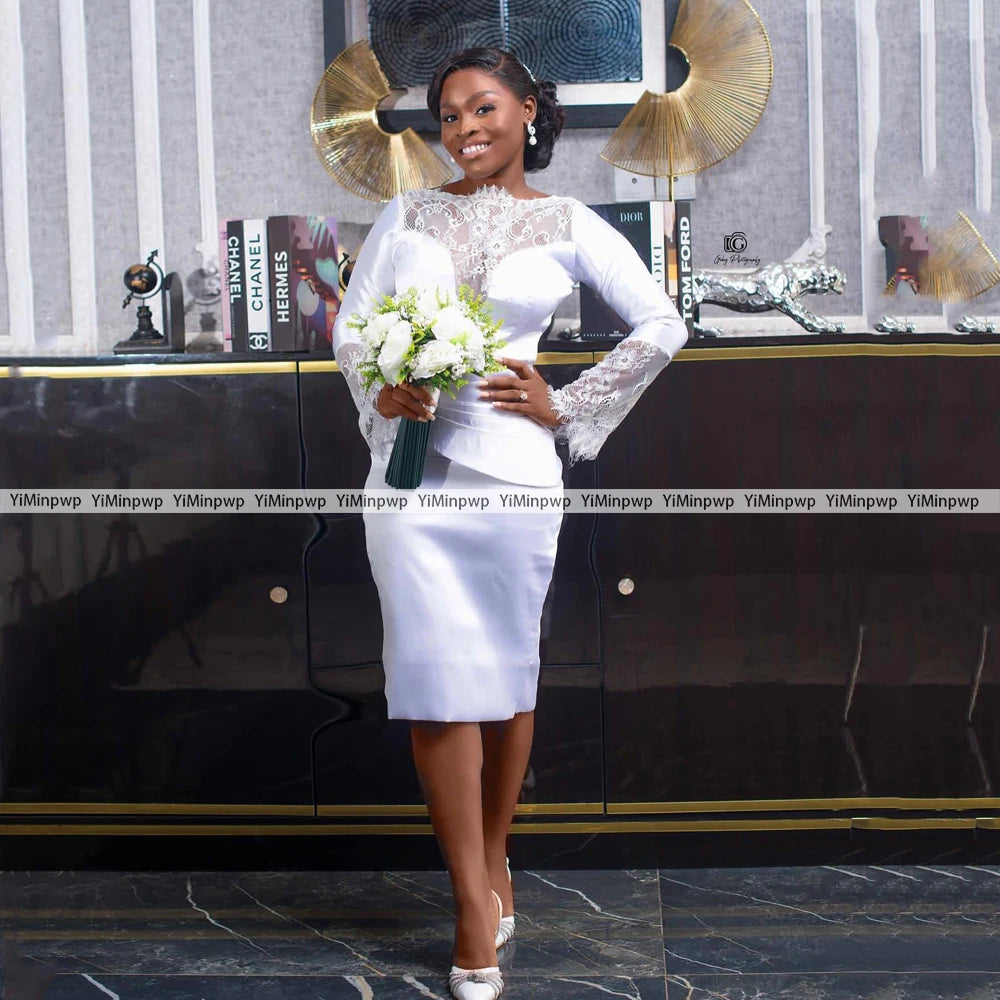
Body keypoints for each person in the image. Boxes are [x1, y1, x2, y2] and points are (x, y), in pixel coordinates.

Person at [331, 46, 688, 1000]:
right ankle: (467, 905)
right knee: (433, 680)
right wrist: (388, 387)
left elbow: (663, 322)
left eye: (482, 109)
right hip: (410, 480)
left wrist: (564, 404)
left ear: (528, 112)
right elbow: (352, 329)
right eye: (447, 116)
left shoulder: (570, 221)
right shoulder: (404, 214)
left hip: (515, 480)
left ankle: (494, 866)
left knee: (506, 678)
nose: (463, 130)